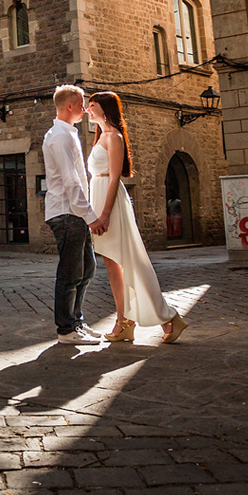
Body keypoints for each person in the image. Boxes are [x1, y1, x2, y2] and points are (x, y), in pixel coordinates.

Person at [85, 91, 190, 343]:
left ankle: (167, 319)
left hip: (111, 204)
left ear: (105, 108)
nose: (87, 109)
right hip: (99, 198)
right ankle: (125, 321)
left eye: (92, 105)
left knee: (129, 261)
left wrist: (105, 214)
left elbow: (114, 178)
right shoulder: (100, 138)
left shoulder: (114, 137)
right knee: (113, 264)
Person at [41, 85, 105, 345]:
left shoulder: (66, 134)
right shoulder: (61, 136)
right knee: (70, 272)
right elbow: (71, 181)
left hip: (73, 213)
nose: (85, 109)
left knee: (87, 268)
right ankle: (66, 330)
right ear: (69, 106)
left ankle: (75, 321)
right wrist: (91, 216)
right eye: (81, 104)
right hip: (67, 213)